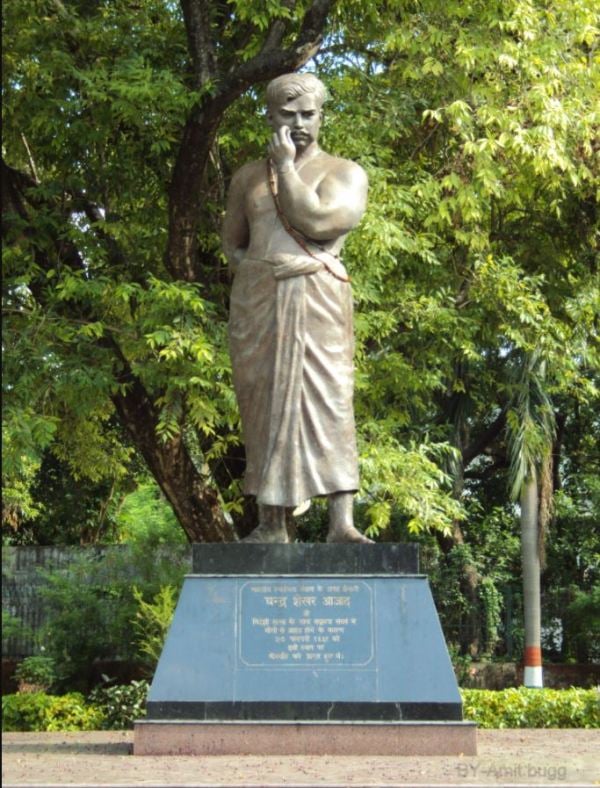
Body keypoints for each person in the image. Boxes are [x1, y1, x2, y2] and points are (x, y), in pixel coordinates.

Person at [222, 72, 371, 544]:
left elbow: (321, 220)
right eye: (288, 115)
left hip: (318, 298)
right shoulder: (247, 177)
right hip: (260, 304)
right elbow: (233, 244)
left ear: (322, 116)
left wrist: (286, 168)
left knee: (329, 398)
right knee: (262, 405)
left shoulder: (344, 172)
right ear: (270, 117)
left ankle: (341, 522)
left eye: (308, 114)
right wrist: (260, 276)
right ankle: (270, 523)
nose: (299, 123)